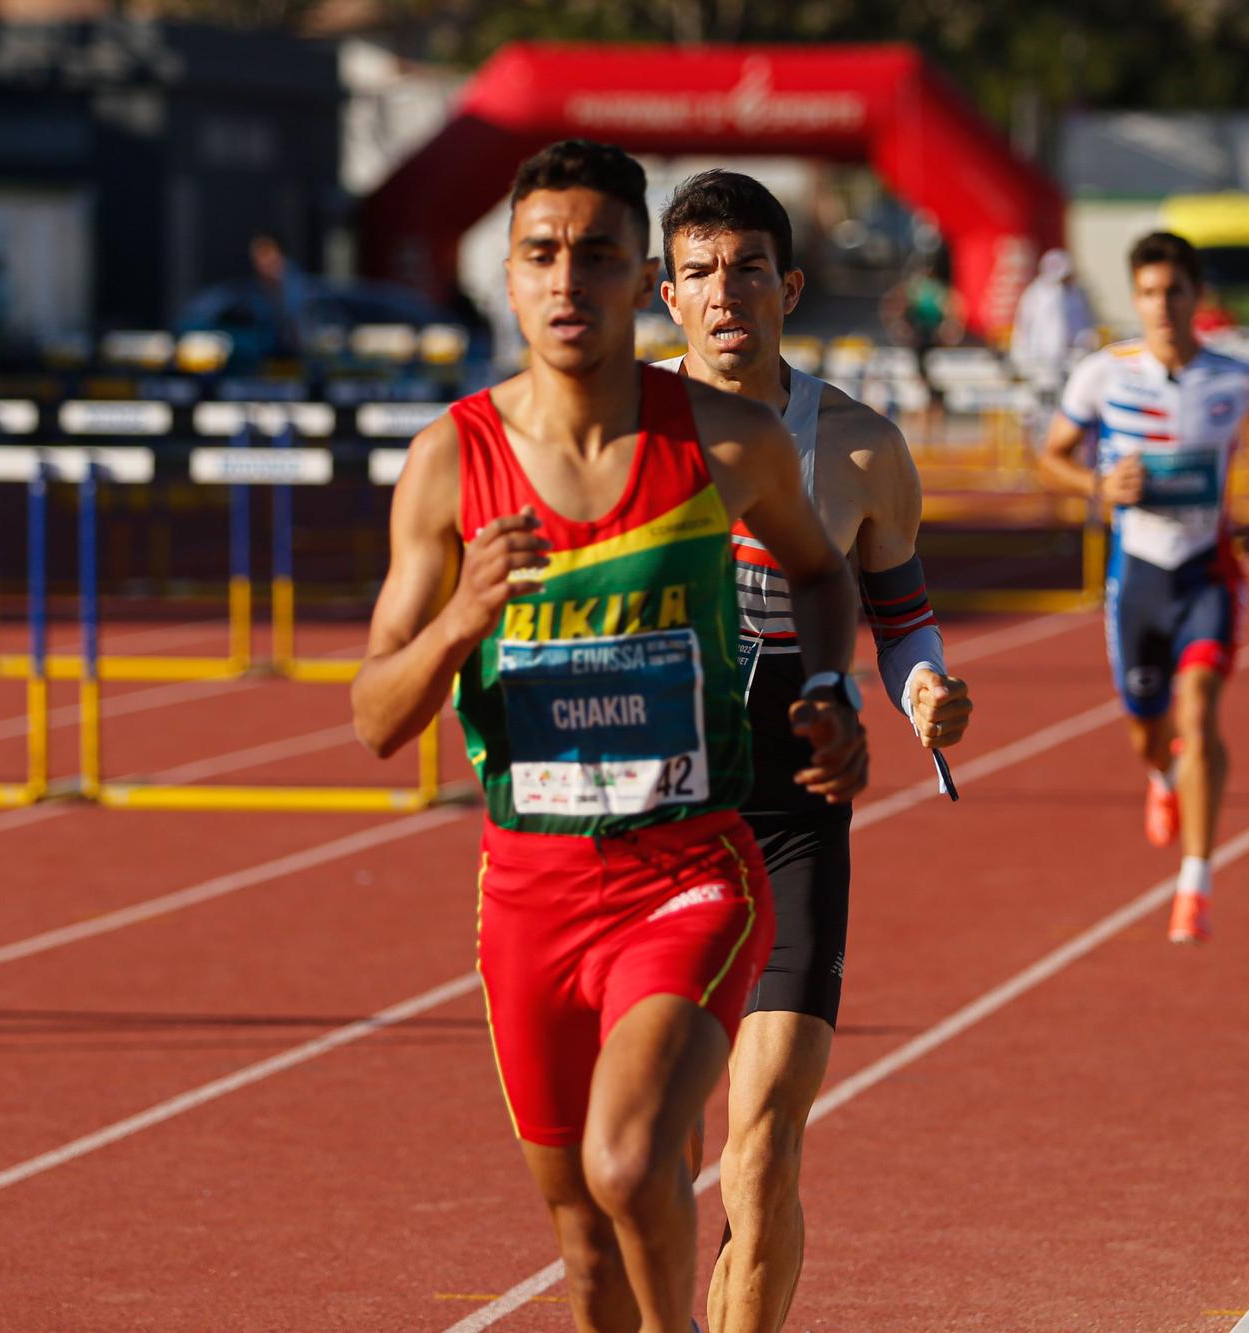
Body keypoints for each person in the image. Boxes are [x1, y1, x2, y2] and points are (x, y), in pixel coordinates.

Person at [348, 140, 869, 1333]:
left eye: (595, 255)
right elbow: (377, 719)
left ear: (640, 279)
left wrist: (831, 688)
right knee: (584, 1255)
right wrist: (462, 620)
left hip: (690, 872)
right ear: (509, 277)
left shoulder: (726, 440)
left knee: (632, 1162)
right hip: (529, 893)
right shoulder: (449, 465)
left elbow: (821, 574)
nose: (566, 280)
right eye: (540, 254)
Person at [652, 169, 973, 1333]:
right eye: (699, 271)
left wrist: (925, 685)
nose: (724, 291)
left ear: (787, 285)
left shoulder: (857, 447)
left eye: (746, 268)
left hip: (790, 820)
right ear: (666, 292)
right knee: (645, 1163)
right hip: (651, 826)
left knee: (762, 1148)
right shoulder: (619, 433)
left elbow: (901, 620)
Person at [1035, 232, 1249, 944]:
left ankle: (1195, 882)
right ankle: (1161, 776)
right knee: (1150, 731)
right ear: (1135, 296)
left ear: (1196, 295)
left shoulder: (1240, 378)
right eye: (1148, 292)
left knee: (1201, 712)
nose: (1162, 306)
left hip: (1207, 570)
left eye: (1175, 291)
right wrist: (1097, 485)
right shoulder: (1103, 374)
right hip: (1137, 575)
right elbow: (1051, 457)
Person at [1011, 247, 1098, 397]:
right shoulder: (1035, 294)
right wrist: (1021, 354)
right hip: (1039, 361)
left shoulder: (1075, 295)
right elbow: (1024, 327)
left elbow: (1084, 325)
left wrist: (1084, 345)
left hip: (1070, 359)